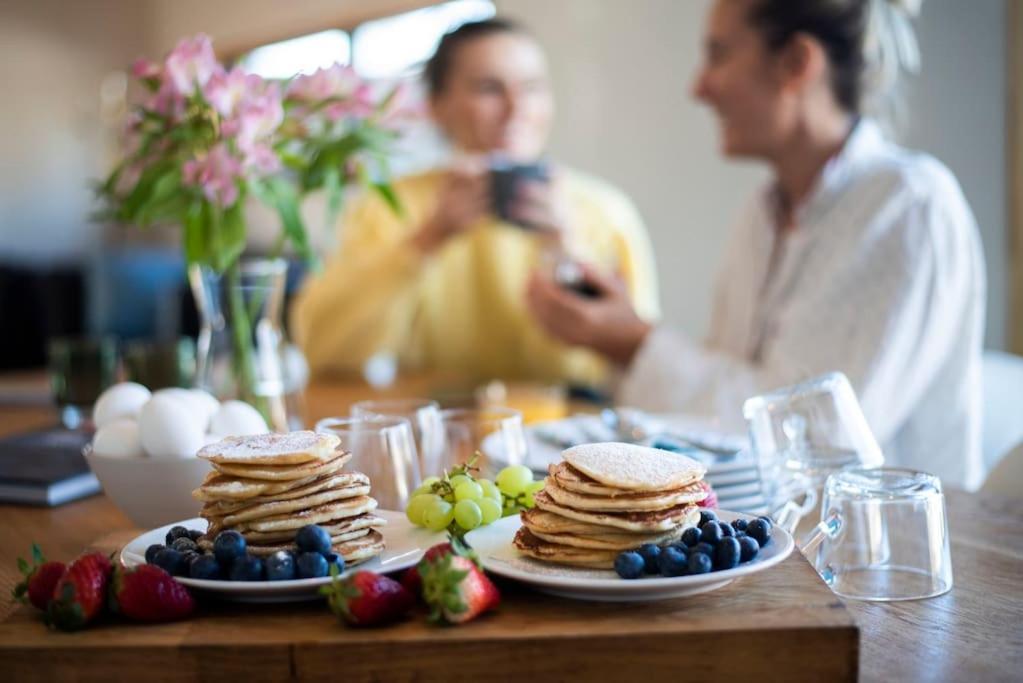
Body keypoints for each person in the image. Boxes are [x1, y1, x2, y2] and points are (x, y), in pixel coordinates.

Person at [526, 0, 986, 490]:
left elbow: (820, 443)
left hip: (878, 553)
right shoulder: (761, 215)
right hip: (758, 534)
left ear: (796, 63)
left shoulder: (909, 206)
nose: (698, 87)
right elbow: (721, 417)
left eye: (719, 55)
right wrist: (620, 342)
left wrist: (633, 341)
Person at [291, 19, 660, 387]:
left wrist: (565, 253)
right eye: (489, 89)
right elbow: (322, 346)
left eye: (532, 88)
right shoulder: (391, 205)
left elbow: (636, 367)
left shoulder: (604, 211)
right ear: (437, 106)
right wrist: (427, 239)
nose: (516, 108)